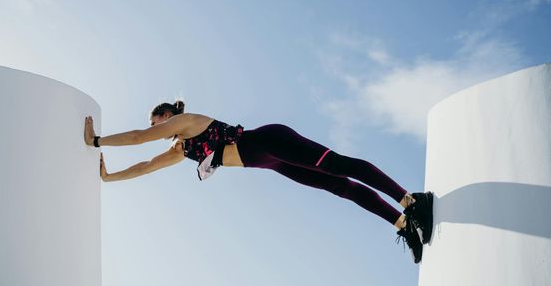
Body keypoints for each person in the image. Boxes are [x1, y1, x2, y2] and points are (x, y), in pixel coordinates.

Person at [84, 100, 433, 263]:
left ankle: (411, 201)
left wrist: (98, 141)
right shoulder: (181, 150)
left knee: (338, 167)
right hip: (270, 163)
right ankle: (403, 223)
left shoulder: (189, 122)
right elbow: (145, 165)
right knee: (338, 187)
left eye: (155, 119)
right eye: (153, 121)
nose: (154, 126)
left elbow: (138, 139)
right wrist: (109, 176)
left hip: (268, 142)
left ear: (169, 115)